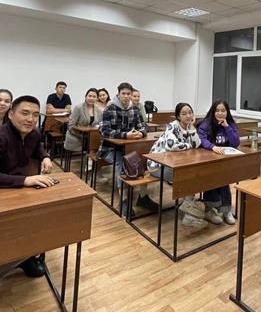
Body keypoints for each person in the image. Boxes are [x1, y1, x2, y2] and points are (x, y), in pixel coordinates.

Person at [0, 95, 55, 307]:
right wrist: (24, 180)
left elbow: (37, 146)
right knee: (14, 233)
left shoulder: (33, 133)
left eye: (35, 115)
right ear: (11, 114)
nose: (30, 119)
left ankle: (25, 258)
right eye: (24, 113)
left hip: (18, 190)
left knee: (43, 223)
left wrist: (45, 156)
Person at [98, 82, 157, 212]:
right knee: (121, 161)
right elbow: (104, 130)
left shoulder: (135, 109)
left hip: (130, 149)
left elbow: (144, 126)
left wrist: (141, 133)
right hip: (110, 149)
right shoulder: (109, 109)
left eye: (128, 94)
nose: (126, 96)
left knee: (143, 159)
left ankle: (143, 197)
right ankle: (124, 200)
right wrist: (125, 135)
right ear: (118, 94)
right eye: (123, 93)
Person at [147, 102, 206, 228]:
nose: (188, 116)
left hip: (173, 163)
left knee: (194, 174)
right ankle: (188, 211)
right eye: (184, 114)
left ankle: (187, 208)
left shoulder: (189, 127)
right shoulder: (172, 126)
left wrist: (192, 128)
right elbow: (172, 146)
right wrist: (189, 145)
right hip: (157, 165)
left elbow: (197, 143)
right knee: (188, 177)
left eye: (190, 113)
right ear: (178, 116)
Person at [196, 100, 239, 225]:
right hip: (208, 160)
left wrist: (227, 127)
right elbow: (201, 139)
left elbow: (235, 143)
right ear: (213, 112)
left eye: (223, 110)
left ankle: (225, 210)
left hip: (224, 160)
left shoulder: (230, 124)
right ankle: (210, 209)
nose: (220, 113)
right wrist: (212, 147)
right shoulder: (206, 124)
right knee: (215, 179)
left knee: (224, 180)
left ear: (227, 112)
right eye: (217, 110)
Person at [64, 88, 102, 153]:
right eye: (89, 96)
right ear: (85, 97)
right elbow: (70, 125)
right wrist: (83, 136)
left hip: (90, 137)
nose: (91, 98)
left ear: (97, 99)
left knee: (98, 143)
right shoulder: (78, 108)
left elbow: (99, 125)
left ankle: (90, 157)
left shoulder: (98, 110)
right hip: (76, 135)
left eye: (94, 97)